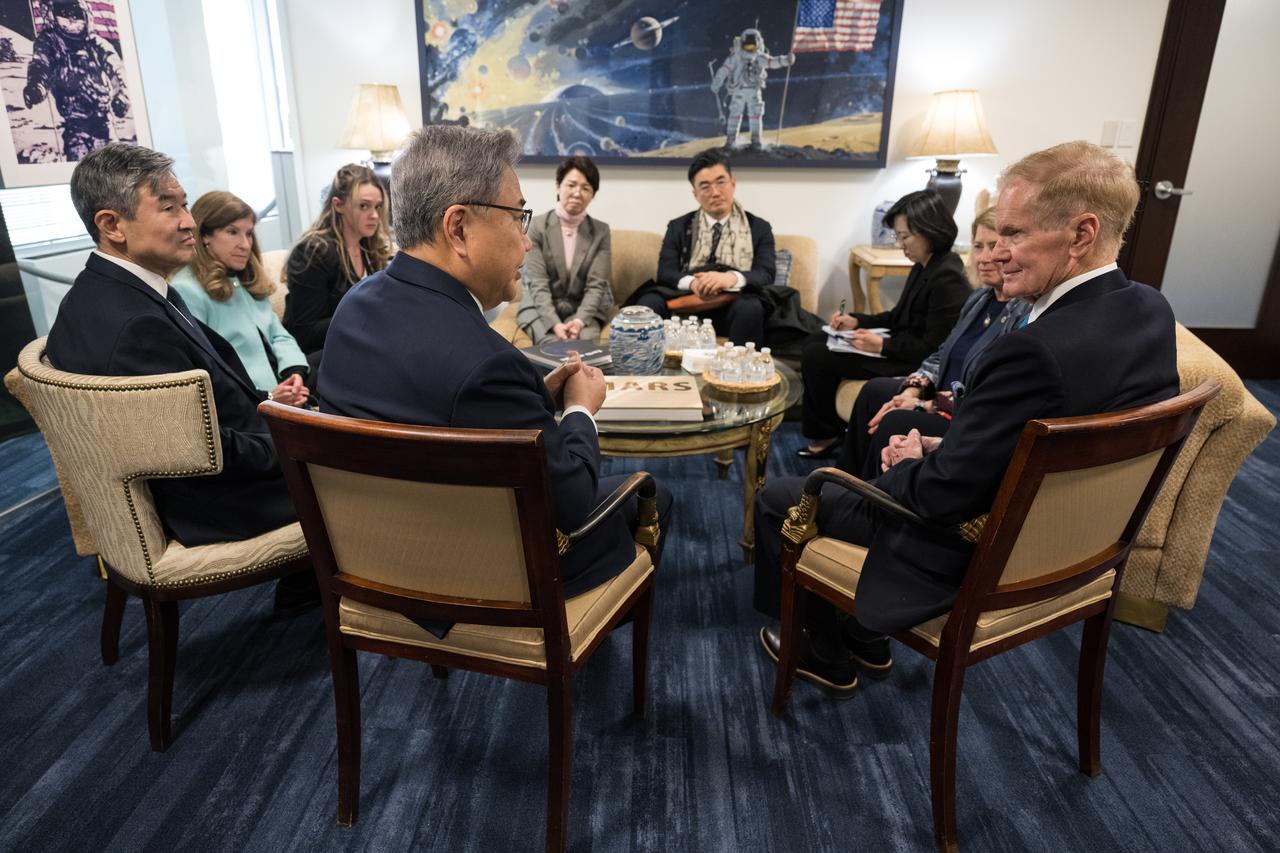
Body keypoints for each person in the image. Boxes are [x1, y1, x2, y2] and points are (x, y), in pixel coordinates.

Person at [753, 141, 1180, 697]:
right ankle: (861, 636)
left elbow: (941, 499)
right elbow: (1051, 435)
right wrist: (941, 447)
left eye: (1014, 234)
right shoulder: (1150, 309)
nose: (995, 254)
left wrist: (911, 462)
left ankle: (822, 649)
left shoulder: (1033, 350)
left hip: (983, 551)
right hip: (1073, 549)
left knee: (783, 496)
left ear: (1081, 234)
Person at [318, 126, 672, 630]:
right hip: (476, 582)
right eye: (518, 217)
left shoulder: (354, 306)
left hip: (376, 563)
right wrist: (578, 410)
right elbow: (570, 504)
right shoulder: (485, 365)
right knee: (654, 494)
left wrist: (532, 397)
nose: (527, 242)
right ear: (458, 227)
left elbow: (437, 404)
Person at [44, 144, 315, 612]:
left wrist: (269, 406)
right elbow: (198, 454)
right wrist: (293, 440)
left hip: (215, 465)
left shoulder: (112, 290)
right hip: (216, 499)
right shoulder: (134, 323)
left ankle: (308, 586)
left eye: (185, 204)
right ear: (112, 225)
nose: (189, 221)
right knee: (373, 466)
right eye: (169, 208)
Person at [836, 206, 1030, 477]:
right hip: (937, 397)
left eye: (993, 245)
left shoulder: (1023, 313)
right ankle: (844, 479)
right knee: (875, 391)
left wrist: (923, 404)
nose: (985, 257)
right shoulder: (978, 300)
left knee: (897, 419)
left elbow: (985, 392)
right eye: (977, 246)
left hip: (962, 418)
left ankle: (868, 501)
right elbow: (940, 355)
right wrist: (911, 390)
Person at [797, 190, 971, 458]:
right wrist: (856, 320)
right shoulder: (925, 265)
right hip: (899, 347)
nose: (901, 245)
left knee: (817, 355)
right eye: (898, 237)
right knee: (816, 338)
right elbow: (897, 316)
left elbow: (933, 347)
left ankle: (825, 434)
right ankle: (828, 429)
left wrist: (881, 345)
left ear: (929, 230)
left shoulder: (948, 277)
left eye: (904, 237)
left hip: (909, 358)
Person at [627, 148, 783, 346]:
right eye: (705, 186)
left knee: (751, 306)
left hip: (735, 301)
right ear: (695, 194)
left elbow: (765, 273)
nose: (715, 192)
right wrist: (694, 283)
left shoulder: (759, 228)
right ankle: (649, 369)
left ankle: (739, 374)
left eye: (721, 182)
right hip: (688, 299)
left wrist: (729, 278)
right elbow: (665, 272)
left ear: (733, 184)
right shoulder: (678, 226)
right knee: (649, 303)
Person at [171, 191, 310, 400]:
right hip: (248, 404)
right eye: (232, 232)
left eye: (249, 233)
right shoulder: (187, 290)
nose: (245, 244)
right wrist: (270, 397)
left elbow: (278, 334)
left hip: (283, 386)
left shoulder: (245, 279)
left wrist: (295, 374)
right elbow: (209, 372)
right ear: (205, 235)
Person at [282, 164, 392, 356]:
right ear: (338, 205)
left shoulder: (370, 249)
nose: (374, 215)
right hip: (319, 355)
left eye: (378, 206)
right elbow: (306, 332)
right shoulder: (312, 252)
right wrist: (368, 316)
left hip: (359, 346)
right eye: (364, 206)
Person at [516, 155, 613, 343]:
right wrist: (554, 323)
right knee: (551, 345)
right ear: (558, 186)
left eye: (586, 188)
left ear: (593, 194)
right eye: (571, 185)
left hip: (582, 311)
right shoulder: (536, 227)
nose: (577, 193)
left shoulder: (601, 231)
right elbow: (538, 282)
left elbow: (596, 285)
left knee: (587, 344)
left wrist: (579, 321)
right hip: (540, 307)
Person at [22, 0, 129, 161]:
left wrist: (121, 95)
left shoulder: (95, 43)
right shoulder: (50, 42)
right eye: (64, 14)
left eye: (76, 15)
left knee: (112, 166)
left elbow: (115, 69)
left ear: (86, 18)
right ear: (54, 15)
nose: (71, 20)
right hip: (75, 123)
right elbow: (41, 65)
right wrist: (36, 87)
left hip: (102, 120)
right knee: (82, 167)